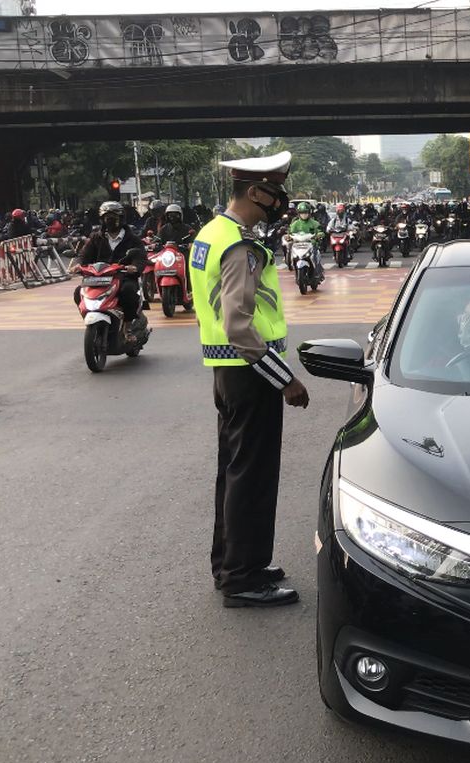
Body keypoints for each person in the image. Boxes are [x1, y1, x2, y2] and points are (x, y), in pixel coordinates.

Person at [192, 150, 309, 608]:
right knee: (252, 476)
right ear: (255, 191)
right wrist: (285, 380)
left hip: (227, 373)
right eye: (276, 193)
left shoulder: (211, 233)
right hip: (250, 374)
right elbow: (240, 325)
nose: (280, 202)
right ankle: (243, 579)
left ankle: (235, 563)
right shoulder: (239, 244)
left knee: (235, 470)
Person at [76, 200, 146, 338]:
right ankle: (89, 317)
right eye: (107, 218)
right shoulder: (96, 238)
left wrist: (135, 267)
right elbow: (84, 255)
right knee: (78, 292)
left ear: (121, 219)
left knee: (129, 291)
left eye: (114, 217)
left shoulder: (132, 238)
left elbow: (141, 257)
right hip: (98, 278)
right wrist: (78, 265)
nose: (110, 221)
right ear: (102, 220)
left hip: (123, 276)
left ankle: (127, 327)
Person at [287, 201, 324, 279]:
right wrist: (288, 237)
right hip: (298, 245)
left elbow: (320, 231)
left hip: (311, 245)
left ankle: (317, 273)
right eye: (302, 213)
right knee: (291, 252)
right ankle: (291, 265)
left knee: (315, 257)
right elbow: (290, 232)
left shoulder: (314, 223)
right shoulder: (295, 224)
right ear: (298, 214)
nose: (304, 215)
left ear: (309, 213)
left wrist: (319, 235)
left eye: (305, 213)